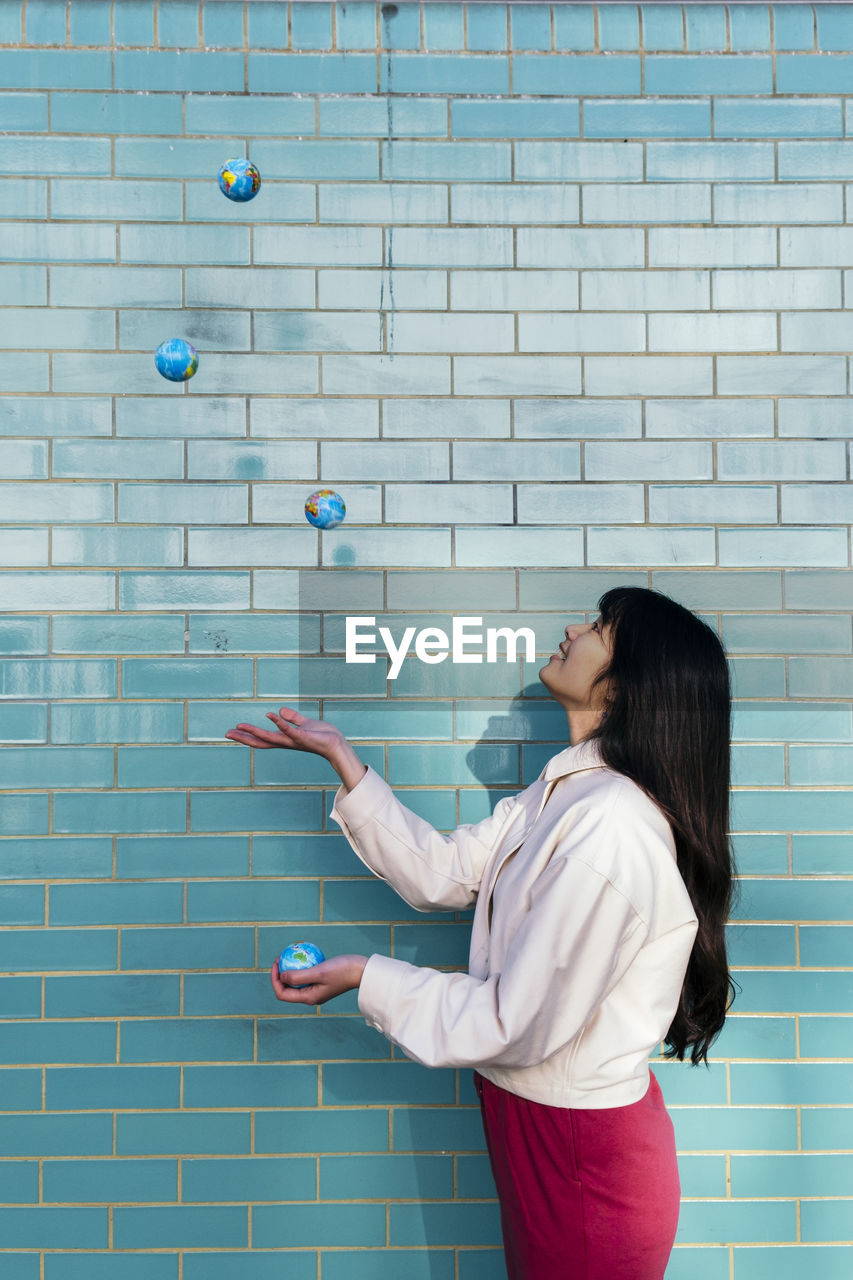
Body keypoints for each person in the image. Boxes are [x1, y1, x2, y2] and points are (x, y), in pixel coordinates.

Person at [225, 585, 736, 1280]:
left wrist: (364, 978)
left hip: (582, 1162)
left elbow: (514, 1021)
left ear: (623, 686)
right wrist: (344, 761)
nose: (569, 629)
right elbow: (441, 872)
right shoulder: (567, 792)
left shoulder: (609, 825)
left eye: (596, 628)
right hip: (547, 1136)